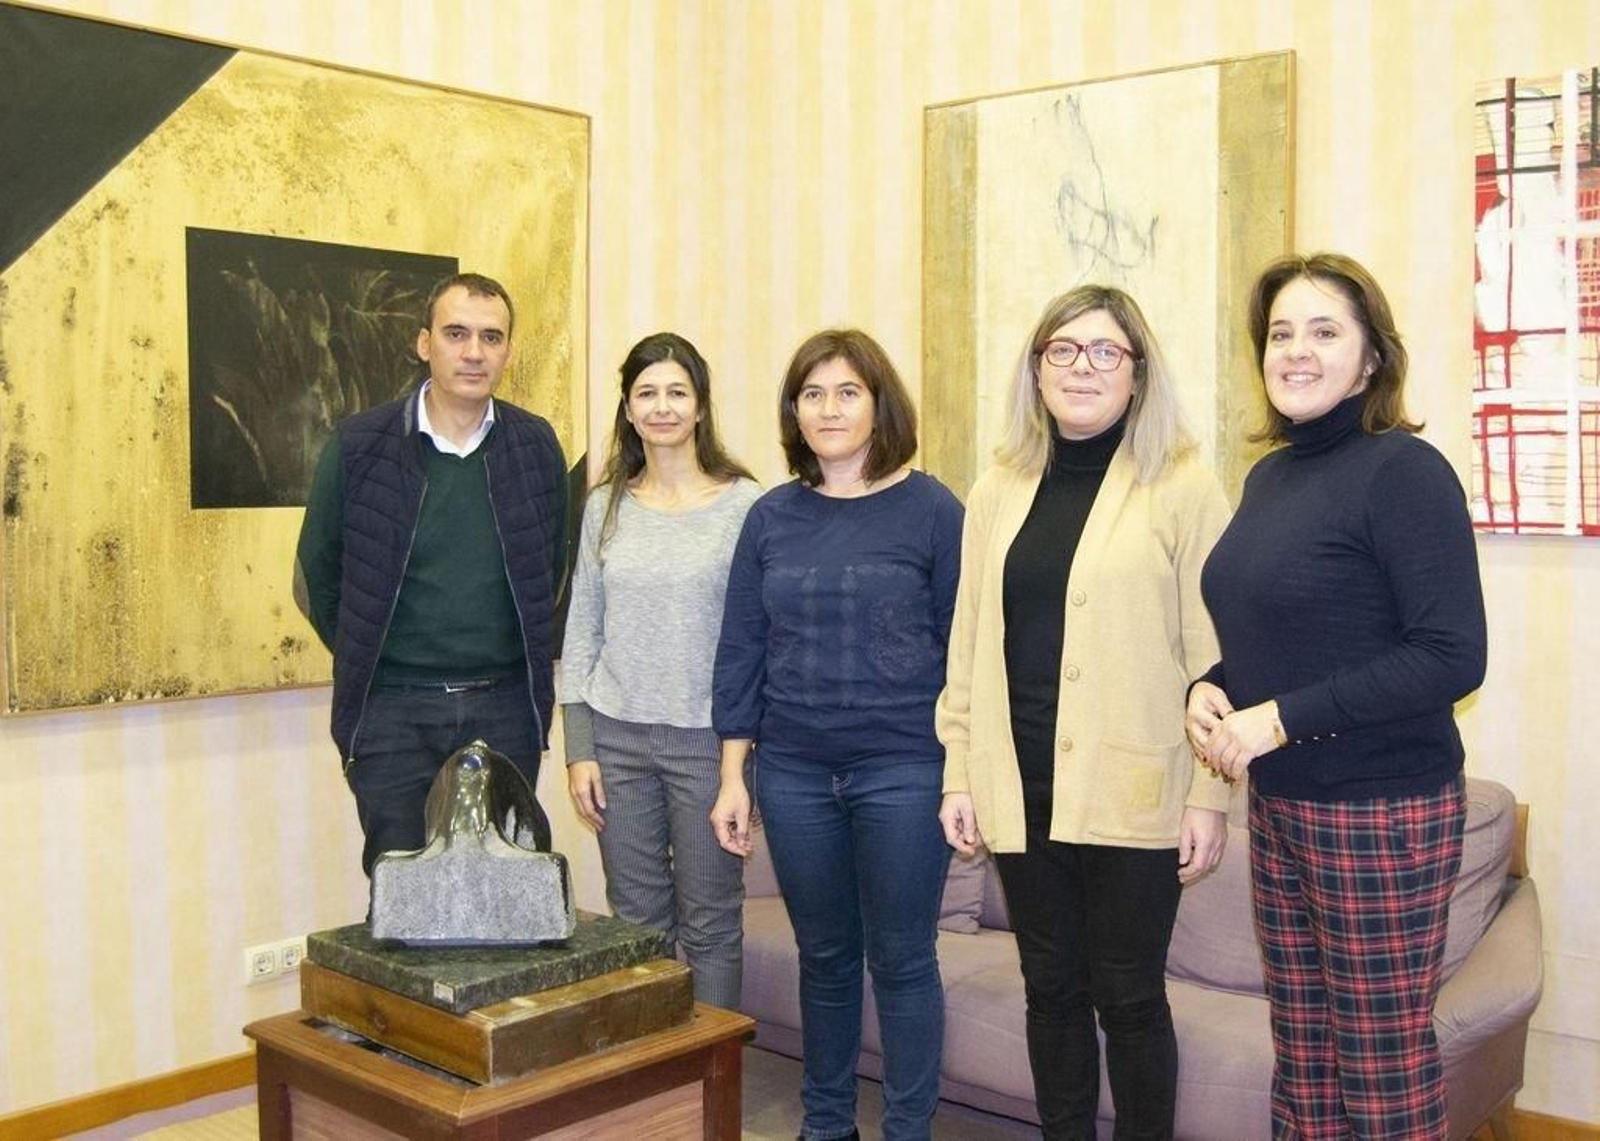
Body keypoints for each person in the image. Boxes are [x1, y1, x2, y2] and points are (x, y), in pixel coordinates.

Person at [1188, 252, 1487, 1140]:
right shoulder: (1271, 476)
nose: (1297, 351)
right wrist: (1211, 687)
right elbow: (1287, 634)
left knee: (1380, 1072)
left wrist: (1279, 718)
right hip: (1284, 802)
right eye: (1281, 333)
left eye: (1325, 331)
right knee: (1306, 1061)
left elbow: (1451, 656)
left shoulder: (1404, 470)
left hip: (1379, 810)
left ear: (1371, 358)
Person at [935, 286, 1232, 1140]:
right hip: (1019, 787)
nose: (1082, 367)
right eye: (1061, 349)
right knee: (1051, 991)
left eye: (1106, 351)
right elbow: (968, 644)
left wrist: (1210, 793)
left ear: (1138, 372)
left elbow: (1216, 657)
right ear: (1036, 369)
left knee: (1130, 998)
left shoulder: (1182, 485)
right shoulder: (998, 486)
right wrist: (960, 771)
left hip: (1134, 792)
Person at [711, 329, 963, 1141]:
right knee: (823, 957)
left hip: (904, 768)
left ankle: (907, 1129)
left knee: (903, 959)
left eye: (847, 391)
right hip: (793, 772)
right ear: (794, 412)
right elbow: (742, 648)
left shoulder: (933, 510)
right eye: (812, 394)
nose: (828, 408)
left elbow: (968, 652)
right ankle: (825, 1124)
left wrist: (964, 772)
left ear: (879, 404)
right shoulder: (770, 517)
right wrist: (732, 775)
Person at [294, 271, 568, 877]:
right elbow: (316, 578)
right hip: (394, 713)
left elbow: (551, 573)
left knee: (507, 889)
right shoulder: (359, 446)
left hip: (505, 709)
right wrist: (377, 655)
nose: (474, 352)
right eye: (456, 333)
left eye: (491, 337)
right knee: (404, 887)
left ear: (508, 352)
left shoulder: (535, 446)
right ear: (424, 343)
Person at [558, 332, 760, 1009]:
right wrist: (580, 749)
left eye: (677, 392)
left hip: (707, 746)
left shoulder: (745, 506)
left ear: (701, 406)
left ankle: (712, 1071)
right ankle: (656, 1069)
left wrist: (738, 766)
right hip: (616, 743)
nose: (662, 406)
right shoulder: (605, 505)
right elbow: (582, 630)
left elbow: (756, 640)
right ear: (628, 408)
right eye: (647, 393)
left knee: (711, 925)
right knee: (636, 924)